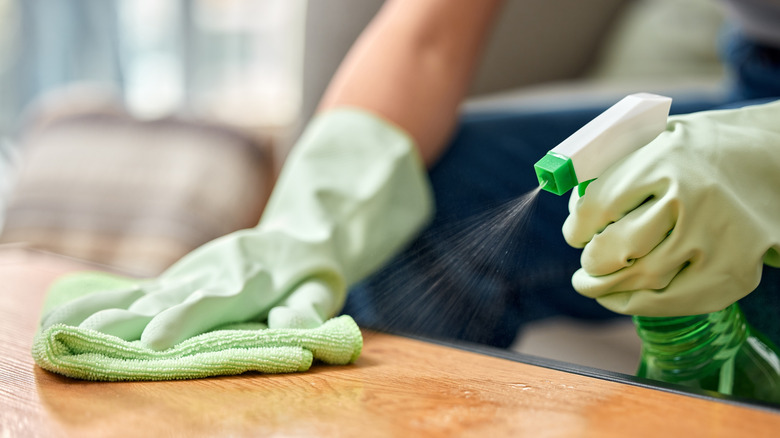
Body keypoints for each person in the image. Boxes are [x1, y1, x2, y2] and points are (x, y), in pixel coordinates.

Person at [41, 0, 780, 353]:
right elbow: (430, 33)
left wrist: (763, 158)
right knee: (419, 221)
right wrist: (312, 221)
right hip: (757, 80)